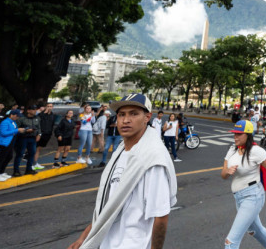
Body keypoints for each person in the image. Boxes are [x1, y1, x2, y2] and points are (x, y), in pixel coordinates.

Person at [68, 93, 177, 249]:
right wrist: (83, 238)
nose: (126, 120)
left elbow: (160, 216)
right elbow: (108, 206)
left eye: (134, 114)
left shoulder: (152, 160)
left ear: (147, 117)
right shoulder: (120, 152)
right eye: (121, 114)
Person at [221, 120, 266, 248]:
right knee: (255, 230)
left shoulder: (256, 151)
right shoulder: (232, 149)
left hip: (253, 196)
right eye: (234, 134)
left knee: (230, 241)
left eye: (239, 134)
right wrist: (228, 171)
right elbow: (223, 175)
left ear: (248, 135)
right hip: (238, 197)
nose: (235, 137)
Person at [0, 110, 25, 181]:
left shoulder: (12, 122)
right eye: (16, 116)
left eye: (18, 116)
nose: (17, 117)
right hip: (4, 142)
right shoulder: (5, 122)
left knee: (9, 157)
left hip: (10, 141)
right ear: (11, 114)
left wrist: (19, 130)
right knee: (2, 158)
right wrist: (17, 130)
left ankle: (1, 172)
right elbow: (3, 133)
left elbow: (13, 131)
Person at [13, 105, 41, 176]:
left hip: (33, 138)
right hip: (23, 138)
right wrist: (26, 130)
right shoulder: (21, 118)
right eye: (33, 109)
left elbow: (39, 127)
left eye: (35, 109)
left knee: (32, 153)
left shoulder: (37, 118)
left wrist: (39, 134)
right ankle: (16, 170)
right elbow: (16, 129)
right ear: (28, 110)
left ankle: (29, 169)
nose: (35, 111)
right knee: (20, 154)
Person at [34, 103, 56, 171]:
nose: (49, 107)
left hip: (47, 134)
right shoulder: (41, 114)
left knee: (39, 149)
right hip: (41, 134)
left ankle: (35, 163)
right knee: (36, 149)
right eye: (48, 106)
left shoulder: (52, 115)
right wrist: (44, 112)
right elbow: (37, 121)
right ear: (46, 107)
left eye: (51, 106)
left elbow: (52, 124)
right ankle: (33, 163)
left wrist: (51, 133)